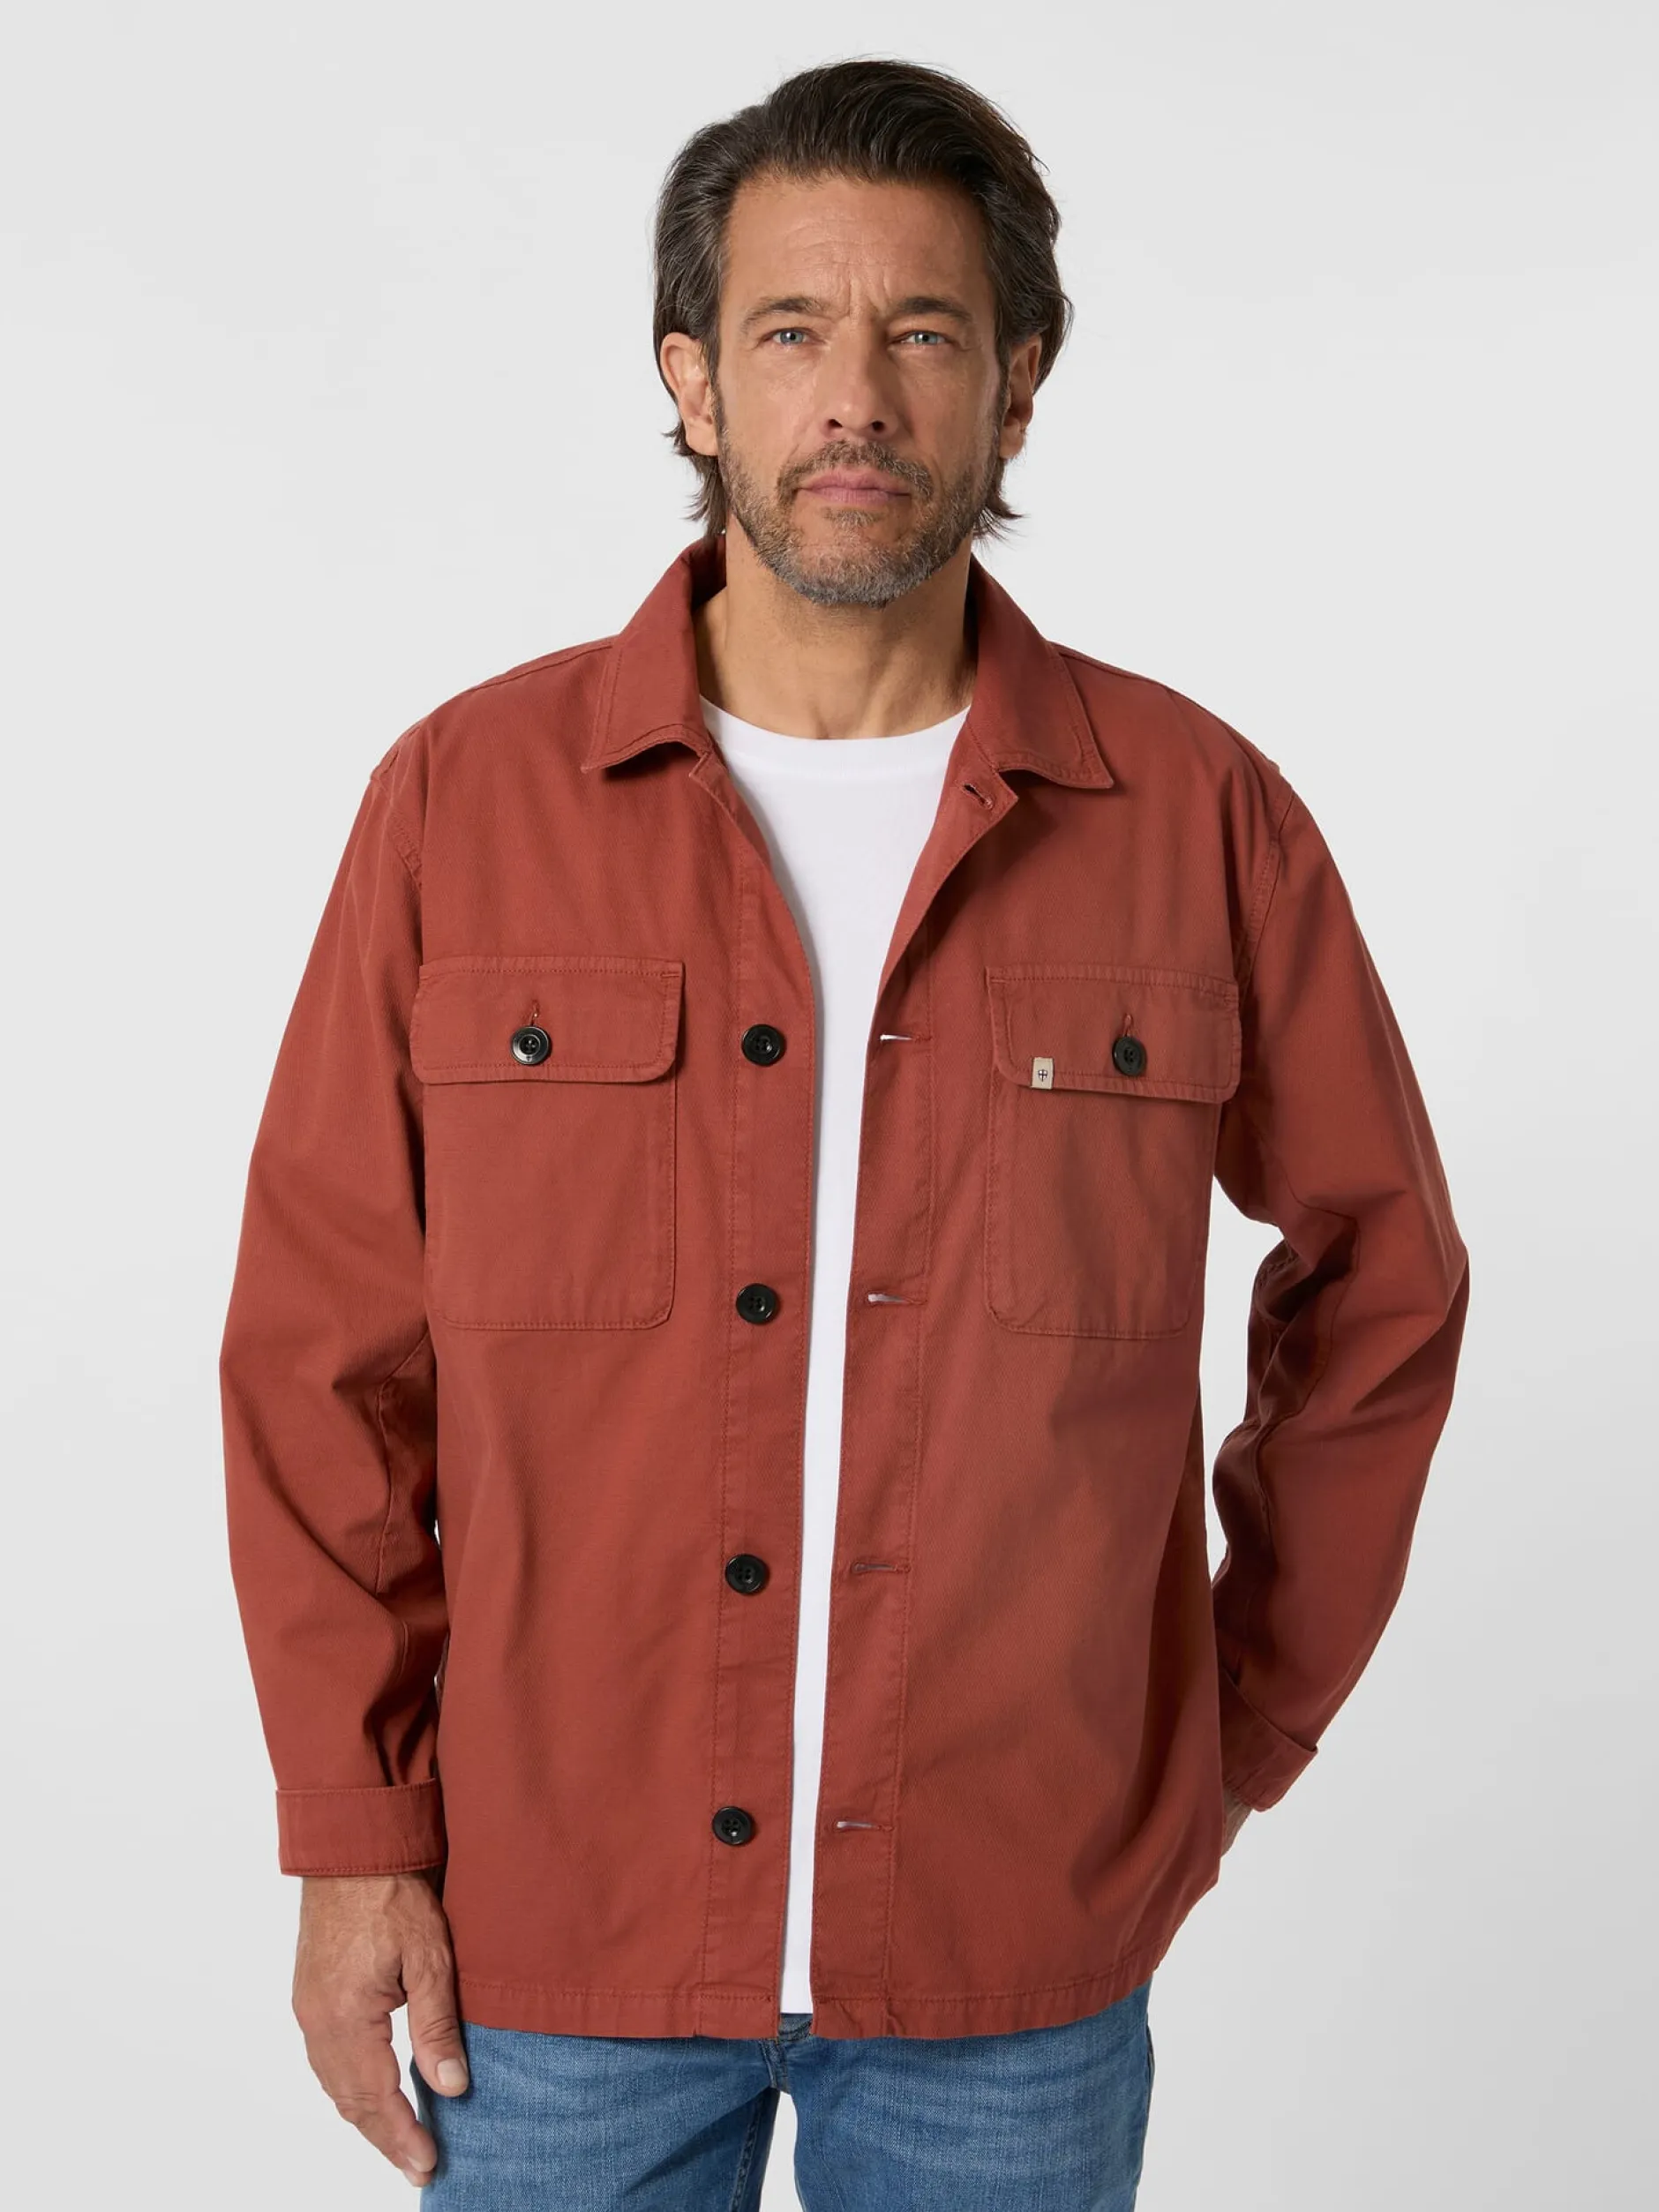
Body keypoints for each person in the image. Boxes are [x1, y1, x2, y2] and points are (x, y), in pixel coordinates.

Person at [219, 56, 1470, 2211]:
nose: (855, 398)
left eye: (925, 332)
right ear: (692, 378)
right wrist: (352, 1832)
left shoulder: (1197, 819)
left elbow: (1384, 1281)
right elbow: (321, 1353)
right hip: (557, 1940)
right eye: (792, 329)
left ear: (1019, 383)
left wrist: (1230, 1726)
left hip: (1012, 1946)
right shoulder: (464, 803)